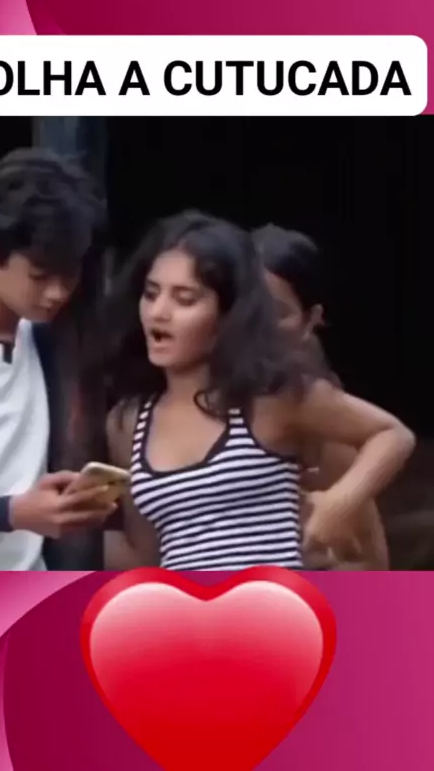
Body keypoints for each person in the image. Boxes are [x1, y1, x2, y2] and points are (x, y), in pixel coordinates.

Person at [104, 210, 415, 571]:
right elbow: (146, 558)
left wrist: (340, 502)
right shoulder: (128, 422)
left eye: (185, 299)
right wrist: (64, 530)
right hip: (185, 606)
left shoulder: (272, 397)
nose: (158, 312)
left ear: (228, 314)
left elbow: (392, 435)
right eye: (151, 294)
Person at [0, 148, 116, 570]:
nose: (57, 292)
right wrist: (12, 512)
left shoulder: (51, 339)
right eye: (40, 276)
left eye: (70, 274)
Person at [252, 222, 390, 570]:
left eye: (277, 313)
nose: (256, 328)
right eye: (245, 308)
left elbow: (374, 564)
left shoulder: (316, 416)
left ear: (310, 319)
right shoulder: (184, 390)